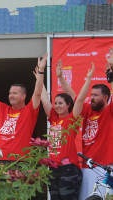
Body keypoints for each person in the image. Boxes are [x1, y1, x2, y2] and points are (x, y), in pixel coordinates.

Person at [36, 61, 94, 199]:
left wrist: (89, 79)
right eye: (55, 103)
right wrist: (40, 74)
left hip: (69, 170)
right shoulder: (53, 118)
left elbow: (79, 100)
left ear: (68, 105)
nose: (56, 106)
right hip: (53, 170)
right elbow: (43, 97)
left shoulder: (71, 119)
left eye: (60, 103)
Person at [77, 48, 113, 200]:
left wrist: (111, 75)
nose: (91, 98)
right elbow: (75, 98)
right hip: (87, 166)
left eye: (95, 96)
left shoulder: (109, 112)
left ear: (106, 98)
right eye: (91, 95)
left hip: (106, 167)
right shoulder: (87, 110)